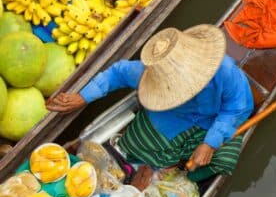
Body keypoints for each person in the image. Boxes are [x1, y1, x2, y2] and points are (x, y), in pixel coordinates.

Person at [47, 25, 254, 182]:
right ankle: (155, 166)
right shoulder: (148, 74)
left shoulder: (225, 72)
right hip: (172, 117)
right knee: (136, 144)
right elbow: (116, 73)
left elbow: (238, 107)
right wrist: (83, 97)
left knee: (224, 159)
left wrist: (210, 142)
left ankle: (183, 175)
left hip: (214, 120)